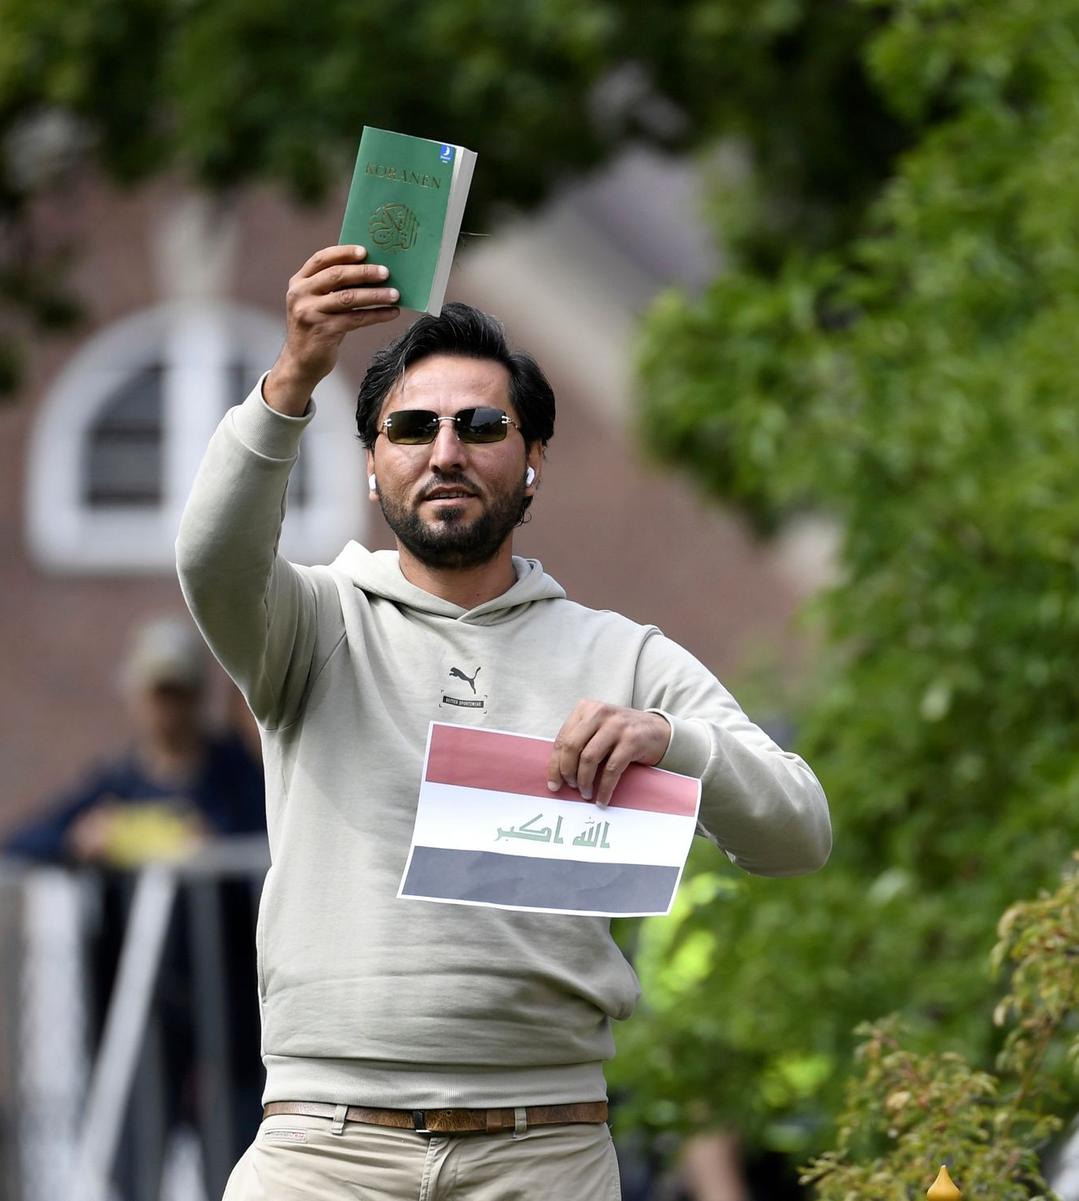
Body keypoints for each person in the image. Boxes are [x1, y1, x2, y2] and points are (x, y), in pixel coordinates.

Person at [176, 245, 832, 1200]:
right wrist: (292, 377)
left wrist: (675, 744)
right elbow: (211, 560)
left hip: (546, 1149)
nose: (446, 450)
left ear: (532, 464)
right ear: (372, 467)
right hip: (325, 1148)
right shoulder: (312, 624)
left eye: (482, 425)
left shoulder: (625, 657)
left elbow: (799, 833)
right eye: (412, 426)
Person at [1, 615, 267, 1195]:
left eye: (179, 691)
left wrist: (213, 842)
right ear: (134, 696)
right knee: (133, 1173)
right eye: (156, 691)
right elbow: (17, 845)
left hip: (231, 1022)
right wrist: (83, 837)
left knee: (240, 1176)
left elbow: (276, 836)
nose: (167, 707)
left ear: (199, 696)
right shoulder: (116, 782)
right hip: (140, 1022)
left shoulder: (236, 775)